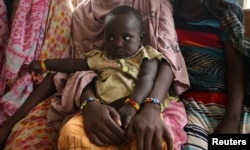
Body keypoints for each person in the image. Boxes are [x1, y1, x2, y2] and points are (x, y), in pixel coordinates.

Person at [0, 0, 190, 149]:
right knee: (66, 138)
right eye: (112, 38)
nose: (118, 43)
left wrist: (151, 107)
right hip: (95, 103)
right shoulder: (81, 14)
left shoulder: (154, 4)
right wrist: (89, 104)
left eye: (126, 38)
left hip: (150, 104)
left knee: (156, 140)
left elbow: (167, 61)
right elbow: (74, 67)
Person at [171, 0, 250, 149]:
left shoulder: (226, 11)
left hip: (232, 102)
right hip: (191, 103)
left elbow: (236, 66)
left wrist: (232, 120)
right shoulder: (168, 13)